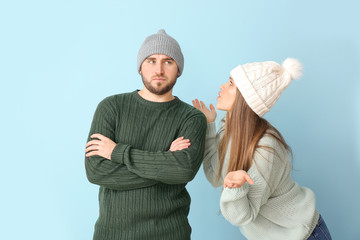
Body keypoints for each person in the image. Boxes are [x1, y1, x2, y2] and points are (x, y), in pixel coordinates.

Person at [85, 29, 207, 240]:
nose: (159, 69)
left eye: (168, 61)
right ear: (140, 67)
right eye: (151, 61)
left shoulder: (192, 118)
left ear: (179, 69)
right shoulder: (111, 107)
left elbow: (183, 170)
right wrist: (165, 161)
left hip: (170, 234)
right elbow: (96, 172)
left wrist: (117, 152)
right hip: (112, 234)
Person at [193, 58, 332, 240]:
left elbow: (243, 215)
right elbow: (215, 176)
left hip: (303, 235)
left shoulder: (266, 148)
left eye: (231, 84)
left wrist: (235, 187)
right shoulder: (232, 133)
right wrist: (210, 127)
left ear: (246, 98)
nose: (222, 87)